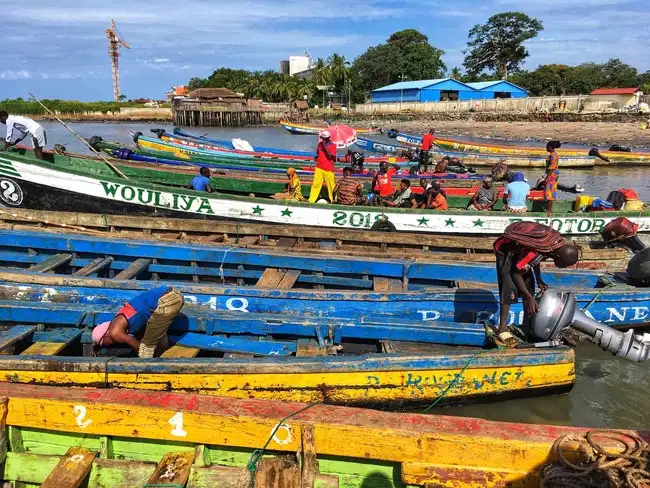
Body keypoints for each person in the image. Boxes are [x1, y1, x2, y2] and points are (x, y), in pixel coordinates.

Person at [493, 222, 579, 347]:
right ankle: (502, 327)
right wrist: (529, 297)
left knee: (529, 284)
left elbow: (534, 261)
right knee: (509, 288)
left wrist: (539, 279)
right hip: (505, 250)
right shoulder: (537, 252)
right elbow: (516, 273)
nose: (562, 267)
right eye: (563, 264)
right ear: (558, 256)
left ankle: (527, 327)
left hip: (521, 252)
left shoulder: (552, 246)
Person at [91, 287, 184, 358]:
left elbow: (133, 343)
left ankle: (147, 373)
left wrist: (141, 357)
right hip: (172, 294)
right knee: (157, 340)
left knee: (145, 349)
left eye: (104, 344)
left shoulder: (114, 332)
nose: (108, 345)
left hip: (168, 299)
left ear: (105, 335)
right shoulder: (119, 322)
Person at [309, 131, 337, 203]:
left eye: (325, 139)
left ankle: (333, 200)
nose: (323, 140)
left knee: (331, 186)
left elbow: (330, 156)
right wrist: (317, 157)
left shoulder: (333, 145)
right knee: (316, 184)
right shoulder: (319, 144)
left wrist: (325, 147)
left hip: (328, 169)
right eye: (322, 138)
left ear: (328, 138)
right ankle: (311, 200)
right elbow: (318, 153)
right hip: (319, 167)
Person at [544, 141, 562, 216]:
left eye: (547, 146)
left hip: (552, 175)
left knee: (550, 192)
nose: (546, 148)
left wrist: (547, 177)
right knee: (548, 192)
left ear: (550, 147)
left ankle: (549, 211)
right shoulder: (553, 154)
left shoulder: (553, 155)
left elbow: (552, 167)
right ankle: (548, 209)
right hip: (552, 174)